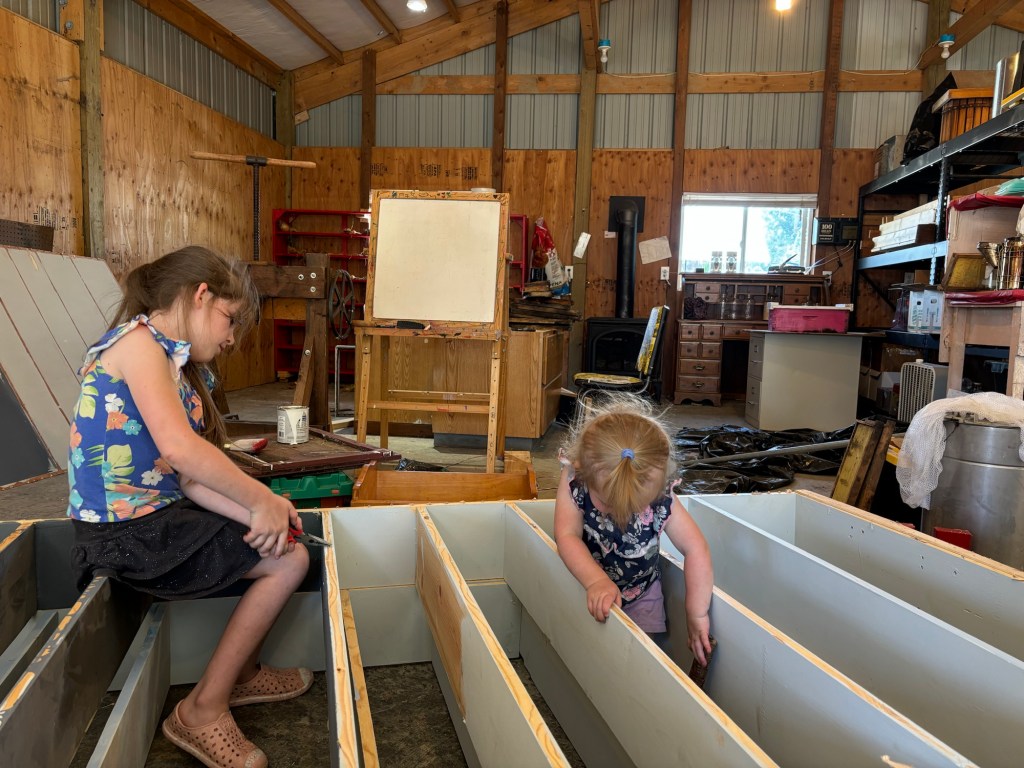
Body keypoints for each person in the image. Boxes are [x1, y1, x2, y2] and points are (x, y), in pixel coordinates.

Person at [68, 246, 312, 768]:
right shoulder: (139, 346)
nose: (230, 338)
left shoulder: (173, 366)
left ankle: (240, 675)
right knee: (289, 562)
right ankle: (200, 710)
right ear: (201, 295)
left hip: (155, 517)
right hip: (123, 533)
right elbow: (182, 451)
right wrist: (259, 499)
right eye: (229, 319)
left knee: (287, 545)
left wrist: (264, 513)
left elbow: (191, 480)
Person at [554, 393, 714, 666]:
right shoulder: (576, 480)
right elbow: (567, 535)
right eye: (608, 503)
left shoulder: (662, 497)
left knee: (637, 662)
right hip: (583, 581)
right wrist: (595, 581)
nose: (622, 512)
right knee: (588, 655)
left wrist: (696, 612)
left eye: (636, 505)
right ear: (585, 475)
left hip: (642, 593)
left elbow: (695, 548)